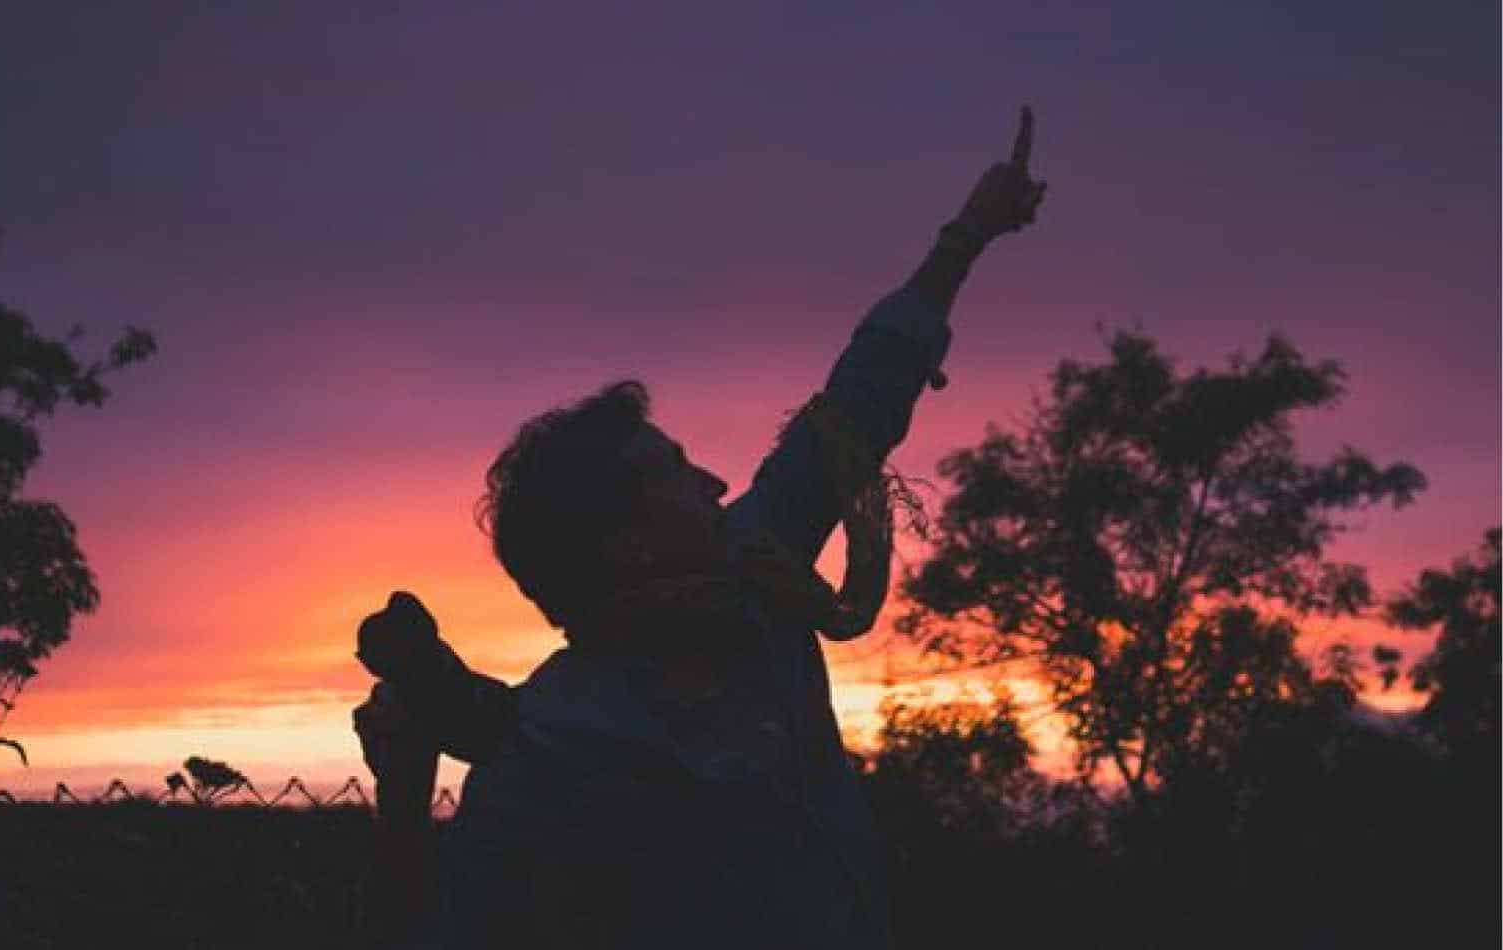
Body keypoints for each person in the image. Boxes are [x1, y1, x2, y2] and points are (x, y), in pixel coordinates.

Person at [354, 106, 1047, 948]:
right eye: (675, 473)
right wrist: (402, 799)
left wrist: (968, 234)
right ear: (627, 543)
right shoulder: (545, 746)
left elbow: (860, 402)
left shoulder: (762, 576)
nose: (714, 483)